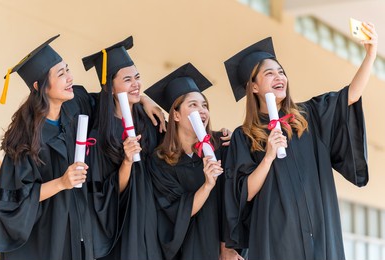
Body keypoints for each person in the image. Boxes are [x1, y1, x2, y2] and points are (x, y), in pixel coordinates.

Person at [223, 21, 377, 260]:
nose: (279, 76)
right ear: (253, 86)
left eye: (281, 71)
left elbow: (350, 95)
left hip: (319, 229)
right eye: (269, 73)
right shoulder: (244, 137)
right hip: (276, 238)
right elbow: (244, 194)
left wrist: (371, 55)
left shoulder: (308, 116)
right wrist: (269, 156)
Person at [0, 35, 95, 260]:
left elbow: (107, 103)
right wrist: (62, 182)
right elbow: (15, 199)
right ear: (39, 86)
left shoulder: (75, 106)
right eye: (61, 74)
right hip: (43, 234)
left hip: (74, 228)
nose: (70, 78)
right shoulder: (25, 138)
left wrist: (145, 102)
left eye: (67, 69)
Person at [145, 62, 243, 260]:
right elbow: (174, 212)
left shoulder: (222, 147)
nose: (202, 110)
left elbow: (232, 201)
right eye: (193, 105)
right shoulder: (161, 161)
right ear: (176, 115)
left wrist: (228, 248)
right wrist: (207, 185)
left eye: (204, 105)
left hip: (221, 249)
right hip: (186, 250)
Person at [81, 36, 165, 259]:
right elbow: (105, 195)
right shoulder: (98, 136)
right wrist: (127, 161)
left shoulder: (150, 123)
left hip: (150, 223)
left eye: (137, 77)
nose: (136, 84)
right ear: (110, 86)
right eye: (127, 80)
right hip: (120, 227)